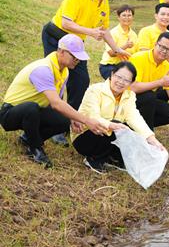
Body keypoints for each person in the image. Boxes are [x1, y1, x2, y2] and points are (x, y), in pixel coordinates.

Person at [1, 35, 108, 167]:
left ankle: (28, 138)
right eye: (74, 56)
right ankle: (35, 148)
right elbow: (56, 104)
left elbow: (59, 100)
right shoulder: (43, 69)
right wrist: (85, 120)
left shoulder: (64, 71)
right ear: (61, 52)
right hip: (10, 113)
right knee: (31, 108)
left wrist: (72, 118)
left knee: (63, 120)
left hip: (35, 111)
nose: (77, 60)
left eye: (79, 57)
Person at [42, 0, 130, 113]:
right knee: (57, 77)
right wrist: (90, 32)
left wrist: (117, 49)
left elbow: (104, 29)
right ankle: (52, 121)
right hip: (56, 36)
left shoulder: (104, 1)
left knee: (81, 81)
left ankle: (70, 118)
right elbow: (66, 23)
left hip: (76, 43)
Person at [72, 62, 166, 174]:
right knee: (117, 125)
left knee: (130, 129)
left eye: (126, 80)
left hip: (107, 134)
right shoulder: (95, 90)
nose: (121, 82)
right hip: (85, 137)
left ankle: (112, 157)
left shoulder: (129, 95)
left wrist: (152, 139)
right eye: (119, 77)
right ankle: (93, 159)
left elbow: (134, 117)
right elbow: (93, 117)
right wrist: (112, 125)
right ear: (112, 74)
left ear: (131, 83)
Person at [129, 32, 169, 131]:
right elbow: (132, 88)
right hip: (126, 99)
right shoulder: (138, 58)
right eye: (162, 47)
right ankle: (146, 131)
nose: (164, 51)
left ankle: (136, 127)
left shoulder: (167, 66)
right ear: (155, 44)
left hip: (146, 101)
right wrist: (160, 82)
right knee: (149, 96)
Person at [99, 4, 137, 79]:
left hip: (125, 67)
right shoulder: (113, 33)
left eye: (129, 15)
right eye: (124, 15)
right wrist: (125, 46)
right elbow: (111, 53)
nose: (127, 18)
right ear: (118, 17)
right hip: (109, 65)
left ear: (133, 17)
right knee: (120, 80)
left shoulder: (134, 35)